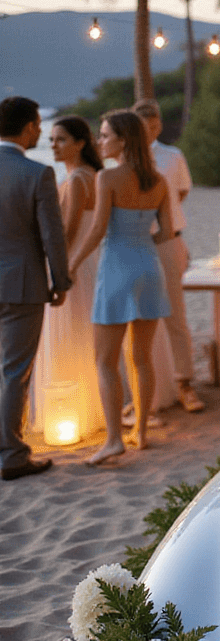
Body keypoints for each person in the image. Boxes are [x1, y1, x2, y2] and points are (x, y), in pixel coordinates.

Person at [68, 110, 172, 465]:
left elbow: (97, 230)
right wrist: (140, 242)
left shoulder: (108, 177)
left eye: (105, 135)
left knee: (105, 361)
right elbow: (167, 232)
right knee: (141, 358)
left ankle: (114, 439)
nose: (99, 141)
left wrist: (71, 265)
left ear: (123, 140)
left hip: (116, 270)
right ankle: (140, 432)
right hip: (149, 269)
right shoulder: (159, 180)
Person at [0, 95, 71, 480]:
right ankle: (12, 455)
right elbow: (51, 236)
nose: (40, 133)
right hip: (22, 285)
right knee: (15, 372)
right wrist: (60, 281)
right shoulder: (37, 174)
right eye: (39, 127)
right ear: (29, 127)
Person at [28, 115, 105, 444]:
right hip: (93, 262)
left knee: (70, 334)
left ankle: (77, 409)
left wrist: (56, 268)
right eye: (51, 140)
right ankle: (91, 405)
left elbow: (69, 232)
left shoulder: (76, 180)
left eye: (60, 139)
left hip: (75, 262)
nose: (53, 146)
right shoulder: (95, 175)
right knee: (86, 333)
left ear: (80, 143)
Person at [134, 100, 204, 411]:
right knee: (140, 317)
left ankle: (184, 382)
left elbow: (182, 191)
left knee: (176, 314)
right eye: (145, 125)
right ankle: (148, 388)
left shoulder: (173, 156)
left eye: (155, 124)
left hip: (168, 240)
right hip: (136, 243)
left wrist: (167, 214)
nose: (152, 130)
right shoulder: (123, 160)